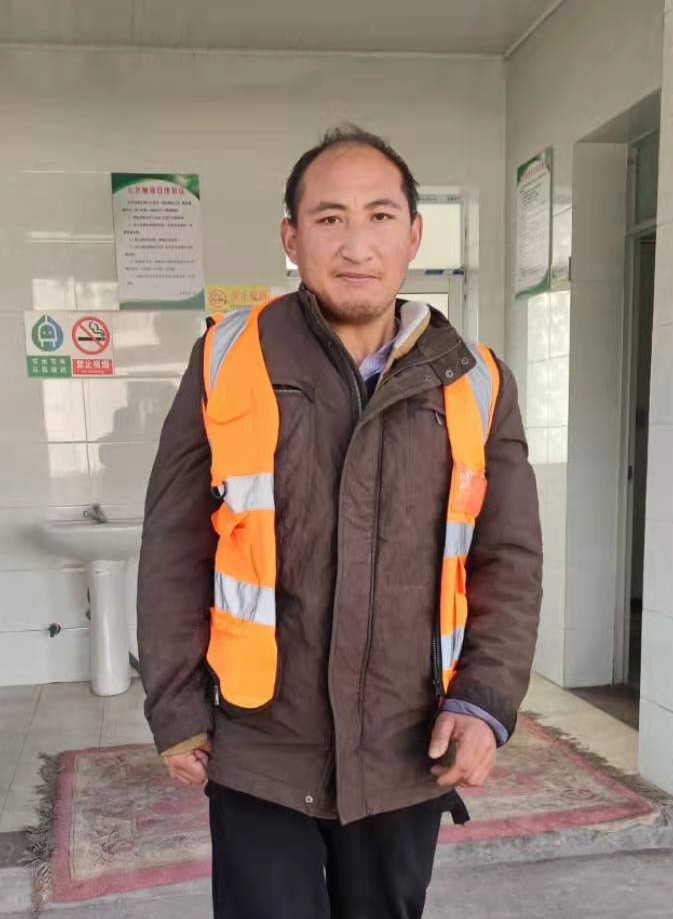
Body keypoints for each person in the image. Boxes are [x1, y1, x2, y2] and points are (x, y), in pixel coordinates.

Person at [138, 125, 542, 919]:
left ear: (413, 234)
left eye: (380, 216)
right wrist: (177, 707)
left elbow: (508, 559)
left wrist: (485, 701)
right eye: (328, 218)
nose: (356, 244)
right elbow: (174, 543)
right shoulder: (226, 358)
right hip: (260, 740)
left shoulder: (476, 380)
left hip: (406, 741)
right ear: (291, 238)